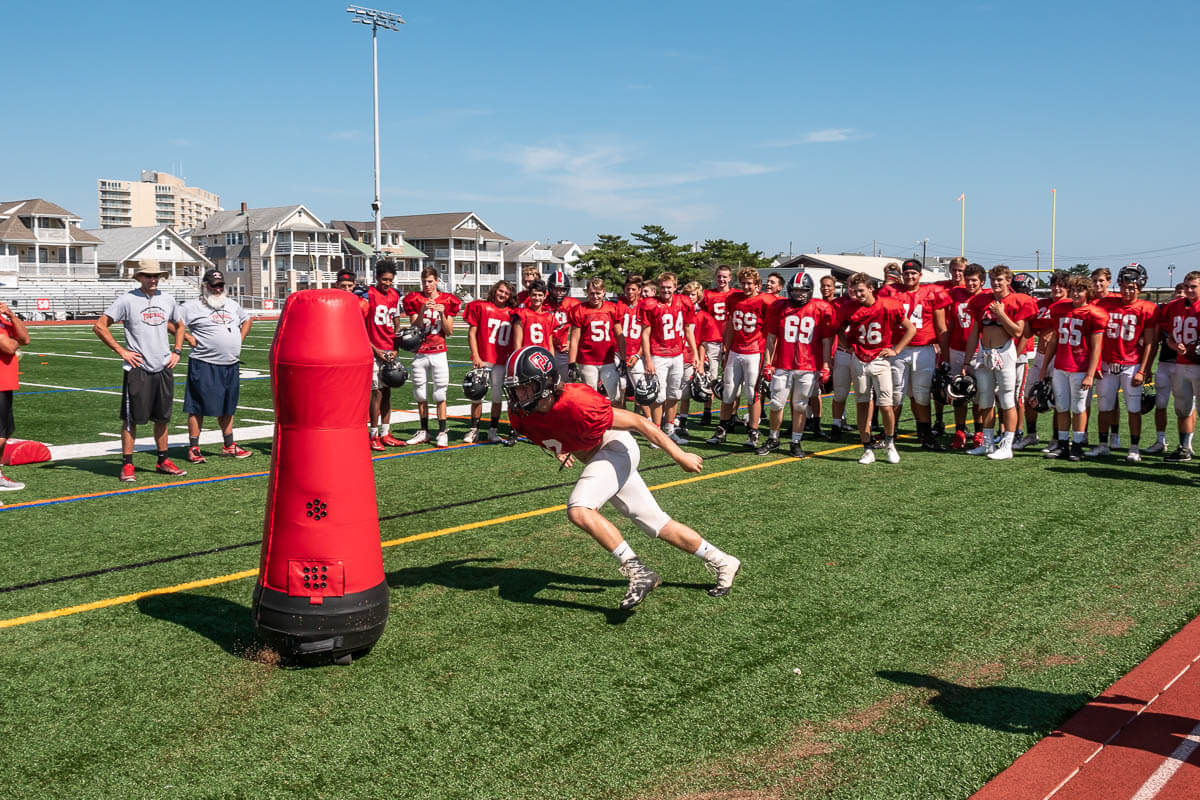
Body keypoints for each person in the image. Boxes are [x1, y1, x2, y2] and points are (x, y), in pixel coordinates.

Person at [504, 345, 741, 611]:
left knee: (579, 509)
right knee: (656, 523)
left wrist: (678, 455)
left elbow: (638, 422)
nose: (517, 395)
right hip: (598, 457)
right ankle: (723, 560)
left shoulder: (578, 402)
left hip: (614, 447)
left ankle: (637, 570)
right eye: (514, 389)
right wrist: (561, 449)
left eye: (524, 387)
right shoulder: (521, 413)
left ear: (546, 382)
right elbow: (547, 430)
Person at [93, 260, 187, 481]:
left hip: (163, 367)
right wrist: (122, 351)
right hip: (138, 368)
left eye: (156, 276)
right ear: (139, 277)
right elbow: (99, 325)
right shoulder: (127, 299)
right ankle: (127, 465)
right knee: (131, 419)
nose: (153, 280)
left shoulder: (167, 299)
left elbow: (180, 325)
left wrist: (178, 351)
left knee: (162, 417)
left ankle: (163, 460)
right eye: (148, 276)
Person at [836, 272, 916, 465]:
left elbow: (911, 329)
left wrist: (896, 350)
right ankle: (867, 448)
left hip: (880, 359)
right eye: (855, 291)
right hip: (860, 359)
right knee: (862, 403)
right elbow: (838, 327)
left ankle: (890, 443)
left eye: (861, 290)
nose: (858, 295)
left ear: (871, 289)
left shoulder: (888, 305)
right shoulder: (849, 307)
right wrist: (846, 344)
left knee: (886, 405)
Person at [962, 265, 1037, 459]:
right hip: (984, 353)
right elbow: (974, 333)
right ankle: (987, 444)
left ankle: (1007, 445)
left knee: (1006, 399)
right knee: (985, 400)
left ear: (1008, 281)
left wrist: (1001, 314)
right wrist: (967, 360)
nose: (996, 283)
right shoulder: (981, 300)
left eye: (1000, 280)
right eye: (993, 279)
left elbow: (1018, 332)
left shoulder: (1018, 300)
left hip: (1005, 353)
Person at [179, 268, 253, 463]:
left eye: (220, 285)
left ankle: (229, 445)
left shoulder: (232, 305)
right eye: (214, 285)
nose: (218, 289)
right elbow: (172, 323)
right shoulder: (191, 307)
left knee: (228, 406)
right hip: (204, 363)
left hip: (230, 364)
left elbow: (247, 320)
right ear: (205, 286)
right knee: (197, 407)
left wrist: (239, 338)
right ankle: (194, 447)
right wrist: (186, 336)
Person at [760, 271, 835, 457]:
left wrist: (826, 365)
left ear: (810, 291)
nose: (798, 294)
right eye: (794, 291)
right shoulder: (778, 306)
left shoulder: (821, 307)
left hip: (808, 365)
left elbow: (826, 340)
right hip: (783, 364)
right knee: (776, 404)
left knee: (800, 405)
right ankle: (773, 438)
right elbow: (771, 337)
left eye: (803, 291)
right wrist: (767, 362)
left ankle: (795, 441)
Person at [1035, 275, 1107, 461]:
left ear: (1088, 293)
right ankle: (1062, 445)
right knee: (1061, 407)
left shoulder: (1094, 313)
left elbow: (1096, 347)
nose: (1075, 293)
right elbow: (1054, 340)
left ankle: (1077, 445)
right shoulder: (1059, 309)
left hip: (1080, 368)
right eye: (1073, 290)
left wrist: (1090, 374)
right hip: (1060, 366)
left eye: (1080, 290)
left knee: (1079, 407)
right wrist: (1044, 367)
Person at [1089, 264, 1157, 460]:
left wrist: (1143, 370)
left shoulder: (1147, 309)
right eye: (1124, 286)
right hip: (1107, 365)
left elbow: (1151, 344)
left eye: (1132, 287)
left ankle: (1134, 448)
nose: (1127, 290)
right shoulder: (1105, 303)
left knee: (1134, 409)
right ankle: (1103, 444)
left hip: (1131, 364)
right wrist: (1097, 364)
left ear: (1140, 287)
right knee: (1104, 408)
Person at [707, 268, 773, 447]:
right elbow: (729, 325)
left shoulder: (766, 300)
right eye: (743, 282)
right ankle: (722, 429)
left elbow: (771, 332)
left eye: (749, 283)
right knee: (728, 392)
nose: (746, 286)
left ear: (757, 284)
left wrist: (768, 359)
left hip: (755, 351)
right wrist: (726, 349)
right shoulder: (733, 298)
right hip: (736, 351)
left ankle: (753, 431)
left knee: (752, 393)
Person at [891, 258, 952, 449]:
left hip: (924, 349)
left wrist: (946, 358)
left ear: (920, 275)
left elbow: (941, 328)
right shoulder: (891, 292)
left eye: (913, 273)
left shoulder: (932, 293)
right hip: (898, 349)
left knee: (922, 395)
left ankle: (925, 436)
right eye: (907, 273)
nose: (910, 276)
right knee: (895, 395)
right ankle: (890, 434)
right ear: (902, 275)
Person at [403, 266, 462, 448]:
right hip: (420, 352)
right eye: (424, 282)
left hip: (438, 351)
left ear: (437, 281)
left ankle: (442, 431)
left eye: (430, 281)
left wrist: (442, 312)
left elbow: (449, 331)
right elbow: (414, 327)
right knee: (420, 393)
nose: (427, 285)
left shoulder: (448, 300)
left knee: (440, 393)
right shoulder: (414, 299)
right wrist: (422, 311)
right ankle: (424, 431)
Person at [640, 272, 697, 443]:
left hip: (677, 354)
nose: (666, 290)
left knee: (674, 394)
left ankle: (669, 429)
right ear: (658, 287)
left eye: (669, 287)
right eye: (663, 287)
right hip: (658, 355)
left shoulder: (684, 302)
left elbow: (688, 330)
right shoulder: (650, 304)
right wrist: (648, 359)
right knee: (658, 396)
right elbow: (645, 334)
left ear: (675, 286)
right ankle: (656, 434)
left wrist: (694, 353)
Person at [1016, 270, 1069, 452]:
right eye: (1054, 284)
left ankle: (1056, 438)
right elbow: (1030, 331)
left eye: (1061, 285)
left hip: (1061, 358)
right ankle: (1031, 435)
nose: (1056, 288)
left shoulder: (1071, 306)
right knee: (1029, 395)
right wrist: (1026, 315)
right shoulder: (1042, 304)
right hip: (1040, 356)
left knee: (1057, 398)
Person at [463, 280, 516, 443]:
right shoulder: (481, 307)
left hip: (500, 361)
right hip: (483, 359)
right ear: (495, 290)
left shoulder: (512, 313)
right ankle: (474, 430)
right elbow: (472, 333)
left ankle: (493, 430)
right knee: (476, 395)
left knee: (497, 398)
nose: (503, 295)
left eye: (506, 293)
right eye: (501, 291)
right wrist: (476, 355)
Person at [944, 263, 988, 449]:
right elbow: (951, 323)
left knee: (979, 394)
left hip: (980, 350)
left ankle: (979, 431)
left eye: (974, 280)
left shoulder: (987, 297)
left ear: (982, 282)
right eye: (968, 280)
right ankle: (960, 431)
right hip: (957, 348)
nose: (970, 284)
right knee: (958, 391)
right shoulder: (956, 294)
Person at [1160, 270, 1200, 462]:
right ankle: (1184, 448)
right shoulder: (1173, 306)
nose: (1189, 290)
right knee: (1182, 409)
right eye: (1187, 286)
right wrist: (1175, 345)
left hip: (1198, 365)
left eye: (1194, 286)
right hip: (1181, 364)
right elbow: (1168, 336)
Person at [365, 260, 404, 451]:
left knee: (388, 392)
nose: (387, 283)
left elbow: (396, 322)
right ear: (377, 278)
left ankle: (385, 433)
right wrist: (375, 350)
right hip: (374, 350)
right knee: (376, 393)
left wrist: (396, 345)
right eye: (384, 279)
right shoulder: (368, 295)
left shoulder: (395, 295)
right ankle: (373, 434)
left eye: (390, 280)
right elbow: (361, 327)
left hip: (389, 349)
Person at [1145, 283, 1189, 454]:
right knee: (1161, 404)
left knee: (1186, 407)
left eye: (1184, 291)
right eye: (1178, 291)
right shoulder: (1168, 312)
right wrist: (1148, 367)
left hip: (1185, 364)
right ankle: (1160, 440)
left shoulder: (1194, 313)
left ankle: (1186, 444)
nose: (1181, 294)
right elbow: (1156, 340)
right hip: (1165, 362)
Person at [567, 277, 624, 404]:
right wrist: (571, 363)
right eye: (592, 293)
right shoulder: (579, 310)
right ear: (587, 292)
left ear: (604, 292)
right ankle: (593, 423)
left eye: (598, 293)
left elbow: (620, 336)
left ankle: (616, 423)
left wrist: (623, 359)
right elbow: (574, 339)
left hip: (608, 360)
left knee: (616, 397)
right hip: (587, 360)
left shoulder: (612, 308)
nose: (595, 296)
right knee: (589, 398)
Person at [0, 299, 30, 494]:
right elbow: (9, 347)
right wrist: (15, 342)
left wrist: (11, 316)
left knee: (6, 431)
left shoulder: (3, 318)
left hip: (5, 383)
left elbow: (25, 339)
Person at [683, 281, 723, 429]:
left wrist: (701, 361)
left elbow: (704, 341)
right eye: (687, 294)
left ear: (698, 296)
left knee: (708, 382)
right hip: (683, 353)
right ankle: (681, 420)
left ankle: (707, 412)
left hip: (704, 350)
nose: (689, 297)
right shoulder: (680, 312)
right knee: (684, 389)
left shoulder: (703, 315)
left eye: (692, 294)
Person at [615, 276, 646, 412]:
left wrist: (639, 355)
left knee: (642, 386)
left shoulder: (645, 306)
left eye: (633, 289)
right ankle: (623, 414)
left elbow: (648, 335)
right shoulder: (618, 304)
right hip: (619, 351)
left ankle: (645, 417)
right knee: (620, 386)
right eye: (628, 289)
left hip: (637, 351)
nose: (630, 292)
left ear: (639, 290)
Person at [547, 270, 580, 377]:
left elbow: (583, 327)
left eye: (562, 290)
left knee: (565, 385)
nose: (558, 293)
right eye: (556, 289)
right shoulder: (542, 302)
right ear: (550, 288)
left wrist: (573, 344)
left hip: (565, 350)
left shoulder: (574, 304)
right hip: (547, 348)